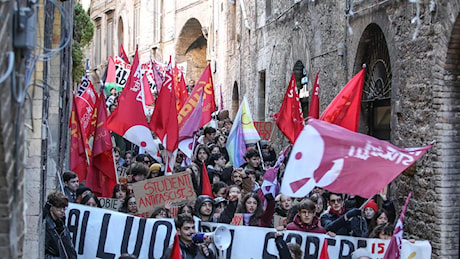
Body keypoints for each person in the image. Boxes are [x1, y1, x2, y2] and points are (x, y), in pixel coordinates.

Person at [43, 191, 77, 258]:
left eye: (64, 208)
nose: (62, 210)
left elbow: (69, 248)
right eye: (59, 207)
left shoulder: (61, 224)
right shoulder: (47, 225)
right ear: (51, 207)